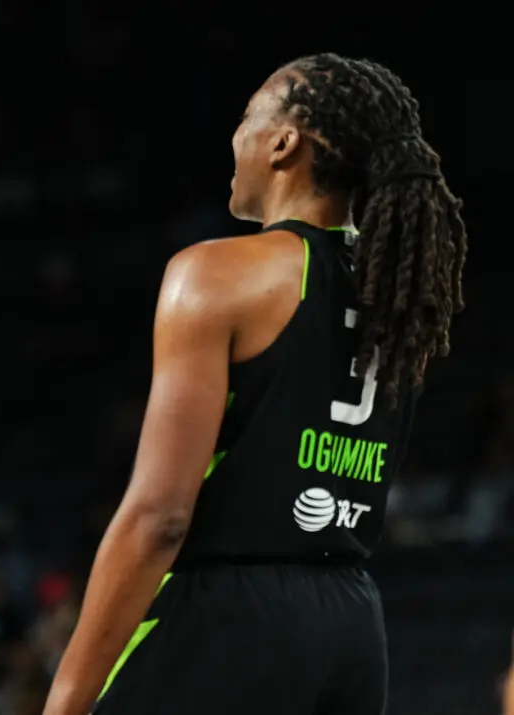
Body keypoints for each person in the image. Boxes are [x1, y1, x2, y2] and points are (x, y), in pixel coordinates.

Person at [42, 53, 467, 715]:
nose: (236, 135)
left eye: (248, 116)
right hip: (352, 625)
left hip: (229, 617)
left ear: (283, 142)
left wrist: (66, 698)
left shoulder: (217, 272)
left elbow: (160, 517)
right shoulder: (399, 289)